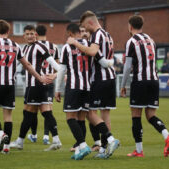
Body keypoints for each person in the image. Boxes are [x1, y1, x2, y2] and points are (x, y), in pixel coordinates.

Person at [0, 20, 50, 154]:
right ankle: (7, 147)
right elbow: (27, 65)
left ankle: (0, 134)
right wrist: (40, 78)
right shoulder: (15, 45)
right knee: (8, 117)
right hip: (10, 85)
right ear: (8, 31)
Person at [67, 10, 120, 159]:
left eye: (84, 26)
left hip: (99, 79)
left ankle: (109, 141)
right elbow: (104, 58)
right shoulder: (107, 34)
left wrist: (75, 43)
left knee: (90, 113)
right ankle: (105, 149)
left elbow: (92, 51)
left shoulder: (97, 34)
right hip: (109, 78)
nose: (84, 29)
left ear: (90, 22)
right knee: (105, 115)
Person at [121, 15, 169, 157]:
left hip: (140, 81)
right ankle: (167, 135)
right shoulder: (151, 40)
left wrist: (123, 85)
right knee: (151, 115)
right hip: (154, 81)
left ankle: (139, 150)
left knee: (136, 115)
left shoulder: (131, 41)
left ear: (130, 26)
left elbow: (127, 67)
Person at [10, 25, 62, 152]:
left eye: (31, 34)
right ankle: (56, 140)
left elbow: (54, 63)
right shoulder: (26, 48)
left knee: (28, 113)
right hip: (39, 85)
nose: (29, 36)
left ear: (36, 35)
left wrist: (56, 74)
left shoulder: (39, 46)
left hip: (35, 85)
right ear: (24, 36)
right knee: (46, 112)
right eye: (27, 34)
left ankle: (20, 142)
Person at [55, 23, 92, 160]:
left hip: (73, 86)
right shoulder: (89, 45)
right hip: (87, 87)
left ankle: (83, 145)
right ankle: (78, 151)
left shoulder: (67, 47)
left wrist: (57, 89)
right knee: (81, 120)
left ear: (70, 34)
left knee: (71, 118)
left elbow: (62, 70)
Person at [28, 24, 60, 145]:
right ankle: (46, 136)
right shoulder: (54, 47)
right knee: (48, 110)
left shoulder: (33, 46)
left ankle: (34, 134)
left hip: (37, 80)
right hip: (50, 80)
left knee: (32, 110)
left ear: (35, 33)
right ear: (46, 32)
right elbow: (57, 64)